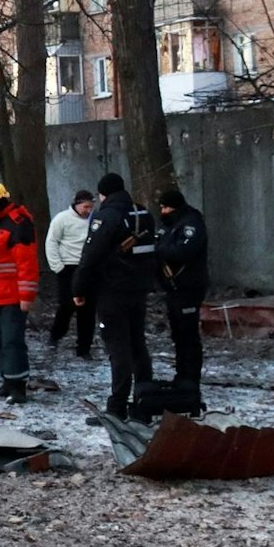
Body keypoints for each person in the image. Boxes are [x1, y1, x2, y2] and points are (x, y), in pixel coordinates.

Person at [72, 172, 154, 419]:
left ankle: (117, 408)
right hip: (138, 289)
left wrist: (78, 288)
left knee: (118, 349)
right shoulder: (143, 214)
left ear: (103, 194)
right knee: (138, 345)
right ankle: (144, 403)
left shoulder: (106, 216)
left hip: (112, 290)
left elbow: (91, 255)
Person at [0, 180, 38, 404]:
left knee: (12, 341)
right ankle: (7, 380)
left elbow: (27, 264)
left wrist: (26, 296)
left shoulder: (17, 224)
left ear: (1, 203)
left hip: (11, 295)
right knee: (1, 341)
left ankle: (18, 386)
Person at [155, 188, 208, 390]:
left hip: (188, 286)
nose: (163, 211)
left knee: (188, 334)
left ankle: (191, 378)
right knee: (178, 334)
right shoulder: (170, 225)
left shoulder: (191, 224)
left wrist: (160, 251)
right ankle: (181, 374)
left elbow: (182, 251)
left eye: (166, 207)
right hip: (174, 288)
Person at [45, 189, 95, 357]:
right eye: (85, 207)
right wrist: (58, 267)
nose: (88, 210)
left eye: (91, 207)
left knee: (88, 309)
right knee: (67, 306)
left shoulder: (94, 220)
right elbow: (51, 242)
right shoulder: (62, 219)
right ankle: (56, 335)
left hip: (87, 267)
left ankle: (84, 348)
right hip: (68, 267)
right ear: (77, 204)